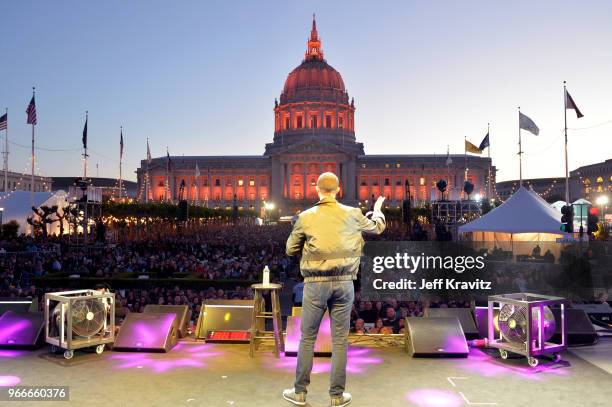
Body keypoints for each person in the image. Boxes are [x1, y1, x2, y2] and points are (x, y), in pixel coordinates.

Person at [282, 172, 386, 407]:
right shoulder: (353, 213)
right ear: (338, 190)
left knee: (307, 338)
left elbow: (290, 250)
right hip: (344, 283)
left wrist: (298, 231)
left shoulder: (306, 216)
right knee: (340, 341)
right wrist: (378, 209)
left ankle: (300, 393)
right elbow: (377, 228)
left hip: (315, 284)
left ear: (316, 190)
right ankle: (337, 397)